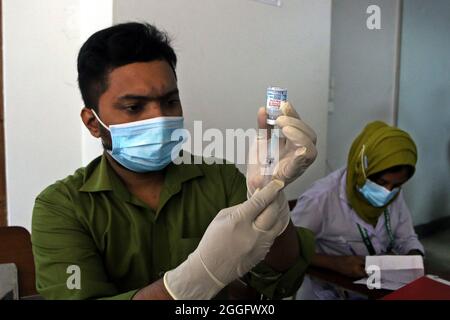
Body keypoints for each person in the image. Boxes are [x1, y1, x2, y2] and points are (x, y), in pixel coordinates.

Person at [31, 22, 318, 300]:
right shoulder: (61, 208)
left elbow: (281, 279)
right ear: (93, 123)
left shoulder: (221, 180)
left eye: (170, 102)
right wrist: (196, 279)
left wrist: (271, 196)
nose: (159, 118)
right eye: (134, 107)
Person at [291, 121, 425, 300]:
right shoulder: (321, 199)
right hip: (327, 291)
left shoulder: (393, 194)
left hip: (375, 288)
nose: (387, 192)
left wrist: (413, 259)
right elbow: (285, 250)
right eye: (382, 183)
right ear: (363, 170)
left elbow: (406, 238)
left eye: (396, 185)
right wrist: (335, 263)